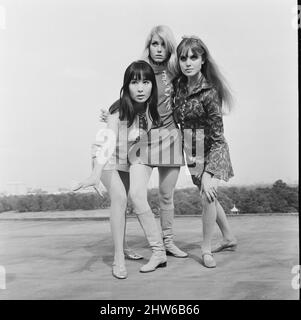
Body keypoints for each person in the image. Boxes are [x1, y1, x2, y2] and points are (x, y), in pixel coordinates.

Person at [100, 25, 188, 259]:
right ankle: (154, 245)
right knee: (135, 194)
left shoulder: (175, 72)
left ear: (170, 48)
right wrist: (114, 111)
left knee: (166, 195)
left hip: (170, 137)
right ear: (148, 45)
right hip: (146, 139)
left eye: (163, 45)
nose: (159, 49)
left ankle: (168, 242)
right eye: (154, 44)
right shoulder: (143, 70)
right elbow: (130, 94)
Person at [74, 60, 164, 278]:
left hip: (128, 160)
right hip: (106, 159)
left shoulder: (152, 113)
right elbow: (109, 140)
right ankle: (118, 257)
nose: (140, 88)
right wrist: (96, 173)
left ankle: (130, 248)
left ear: (153, 84)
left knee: (131, 199)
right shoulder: (118, 109)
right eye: (134, 83)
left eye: (145, 82)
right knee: (120, 199)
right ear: (126, 86)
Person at [172, 36, 237, 268]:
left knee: (207, 194)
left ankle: (206, 248)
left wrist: (210, 171)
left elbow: (219, 137)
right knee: (208, 194)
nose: (188, 62)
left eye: (193, 57)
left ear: (202, 60)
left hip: (212, 149)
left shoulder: (210, 92)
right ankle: (229, 238)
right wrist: (117, 112)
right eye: (183, 58)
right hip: (192, 149)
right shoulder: (178, 86)